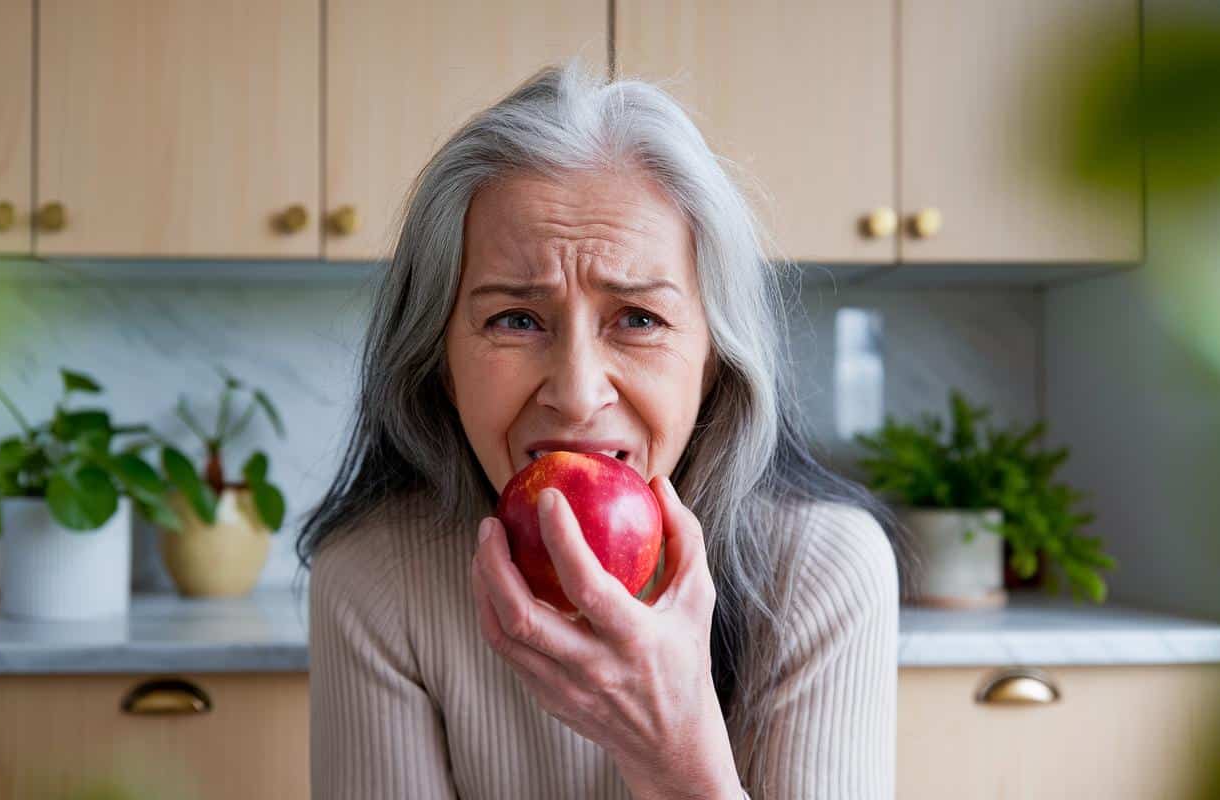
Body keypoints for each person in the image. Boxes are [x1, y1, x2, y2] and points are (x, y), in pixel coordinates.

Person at [298, 56, 905, 799]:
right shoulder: (375, 581)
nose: (578, 395)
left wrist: (676, 754)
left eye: (640, 319)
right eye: (515, 319)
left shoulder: (821, 573)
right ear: (439, 357)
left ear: (715, 360)